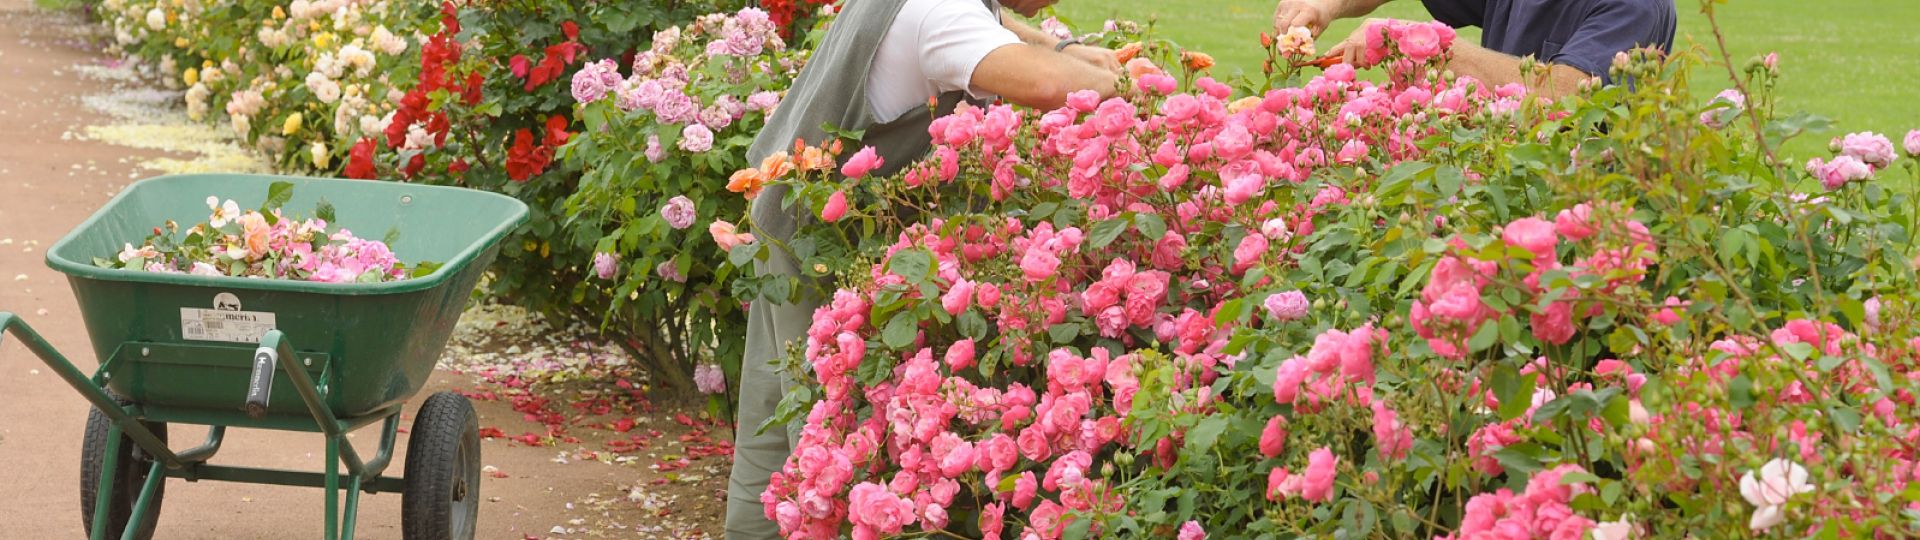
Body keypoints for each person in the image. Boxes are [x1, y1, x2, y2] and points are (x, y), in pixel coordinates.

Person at [725, 0, 1120, 537]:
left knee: (769, 424)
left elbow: (996, 23)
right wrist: (1120, 81)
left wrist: (1070, 48)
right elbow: (1049, 85)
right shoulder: (943, 16)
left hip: (787, 219)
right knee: (824, 453)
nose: (1054, 5)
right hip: (817, 245)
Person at [1274, 0, 1676, 97]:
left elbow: (1567, 93)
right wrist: (1327, 4)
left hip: (1578, 216)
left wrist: (1429, 44)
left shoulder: (1635, 6)